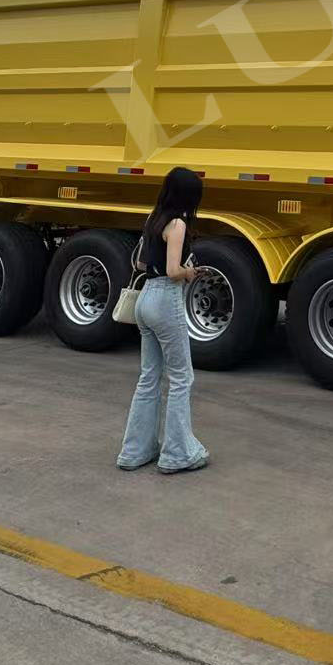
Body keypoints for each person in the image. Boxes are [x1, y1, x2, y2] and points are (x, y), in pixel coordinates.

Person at [117, 167, 209, 474]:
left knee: (149, 377)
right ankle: (177, 454)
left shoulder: (153, 218)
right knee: (182, 378)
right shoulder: (178, 223)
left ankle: (134, 452)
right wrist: (190, 272)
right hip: (166, 298)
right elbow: (172, 271)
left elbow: (141, 262)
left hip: (144, 299)